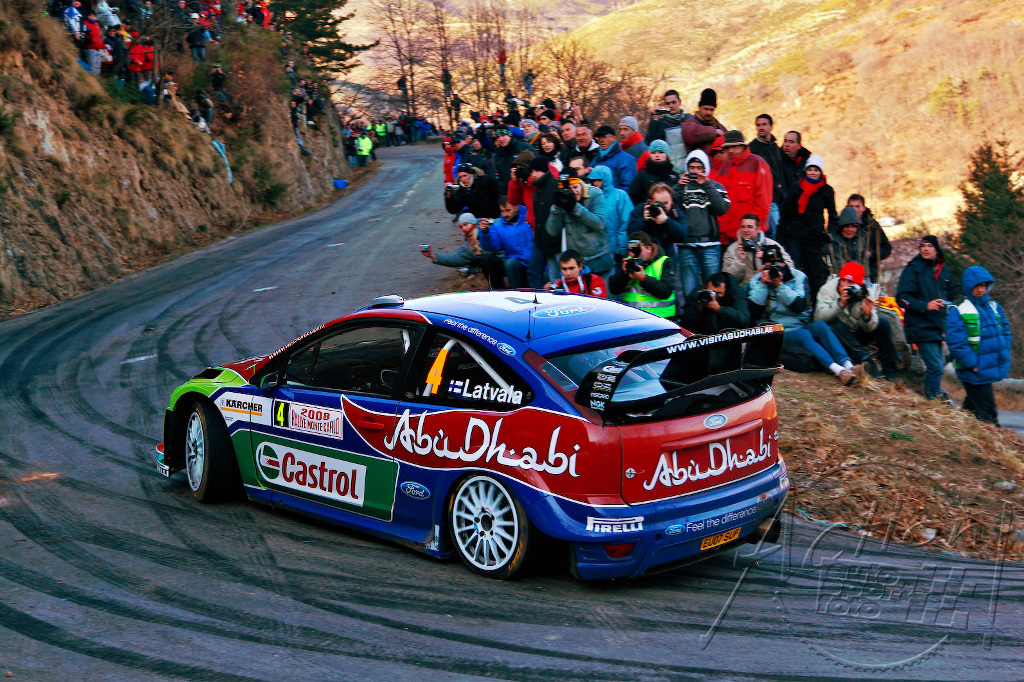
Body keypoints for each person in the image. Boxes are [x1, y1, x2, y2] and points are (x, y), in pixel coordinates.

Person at [748, 247, 863, 385]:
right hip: (778, 329)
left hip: (799, 323)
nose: (773, 270)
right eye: (768, 266)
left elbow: (799, 306)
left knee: (821, 326)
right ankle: (839, 371)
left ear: (783, 263)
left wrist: (779, 286)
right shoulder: (757, 280)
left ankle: (848, 365)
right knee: (804, 335)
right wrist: (763, 285)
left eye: (777, 265)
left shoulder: (798, 277)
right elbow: (754, 311)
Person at [946, 266, 1013, 425]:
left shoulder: (993, 306)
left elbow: (1005, 329)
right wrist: (973, 364)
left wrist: (1004, 348)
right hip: (973, 368)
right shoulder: (959, 309)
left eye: (983, 286)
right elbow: (956, 342)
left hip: (987, 366)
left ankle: (958, 427)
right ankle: (994, 437)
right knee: (988, 412)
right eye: (976, 286)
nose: (980, 290)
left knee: (972, 407)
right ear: (968, 287)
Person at [814, 262, 900, 382]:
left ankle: (890, 371)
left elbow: (869, 328)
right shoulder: (828, 290)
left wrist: (867, 316)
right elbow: (818, 318)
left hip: (856, 332)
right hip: (837, 338)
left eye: (850, 282)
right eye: (843, 280)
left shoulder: (865, 293)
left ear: (859, 284)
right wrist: (839, 304)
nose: (845, 285)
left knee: (883, 323)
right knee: (837, 326)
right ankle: (869, 366)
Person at [896, 235, 956, 400]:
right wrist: (925, 305)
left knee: (938, 367)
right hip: (920, 326)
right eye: (923, 246)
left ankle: (933, 397)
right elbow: (902, 298)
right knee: (935, 367)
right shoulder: (913, 269)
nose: (925, 249)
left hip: (938, 326)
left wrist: (948, 309)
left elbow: (952, 296)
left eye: (929, 245)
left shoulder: (945, 271)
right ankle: (932, 399)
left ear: (936, 249)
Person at [673, 149, 730, 300]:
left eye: (699, 168)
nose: (695, 172)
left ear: (705, 169)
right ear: (687, 168)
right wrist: (678, 187)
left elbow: (722, 209)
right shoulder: (681, 187)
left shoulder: (715, 186)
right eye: (692, 168)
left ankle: (712, 314)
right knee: (689, 291)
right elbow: (670, 207)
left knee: (713, 290)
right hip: (686, 245)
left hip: (710, 245)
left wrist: (706, 185)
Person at [780, 155, 836, 303]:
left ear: (821, 172)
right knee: (795, 270)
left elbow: (832, 215)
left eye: (816, 170)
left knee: (816, 274)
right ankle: (797, 303)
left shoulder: (827, 190)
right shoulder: (796, 187)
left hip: (814, 238)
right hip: (795, 236)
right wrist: (782, 233)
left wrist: (829, 232)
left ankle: (816, 306)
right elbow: (786, 211)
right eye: (810, 169)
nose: (812, 172)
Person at [545, 173, 611, 281]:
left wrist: (575, 207)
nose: (573, 191)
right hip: (578, 263)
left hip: (599, 257)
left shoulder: (595, 194)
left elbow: (599, 224)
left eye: (575, 187)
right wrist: (556, 208)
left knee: (603, 291)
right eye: (569, 189)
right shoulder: (563, 199)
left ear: (581, 184)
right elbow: (552, 231)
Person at [714, 130, 773, 245]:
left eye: (734, 147)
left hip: (752, 235)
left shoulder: (758, 163)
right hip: (728, 236)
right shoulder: (723, 168)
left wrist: (753, 229)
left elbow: (764, 201)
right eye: (727, 147)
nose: (731, 150)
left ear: (743, 146)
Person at [421, 213, 506, 288]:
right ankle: (499, 289)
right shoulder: (469, 245)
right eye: (461, 226)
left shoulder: (489, 225)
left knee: (486, 261)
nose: (463, 229)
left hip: (509, 260)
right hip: (501, 266)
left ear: (473, 223)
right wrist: (432, 256)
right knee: (485, 262)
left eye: (465, 225)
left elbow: (505, 220)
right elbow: (455, 259)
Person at [609, 231, 678, 319]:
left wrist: (643, 279)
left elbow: (665, 292)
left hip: (661, 318)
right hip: (633, 318)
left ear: (649, 249)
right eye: (630, 250)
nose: (633, 254)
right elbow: (614, 290)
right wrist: (624, 273)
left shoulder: (664, 262)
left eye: (637, 250)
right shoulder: (629, 262)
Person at [722, 214, 794, 287]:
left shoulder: (771, 245)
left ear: (758, 229)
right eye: (743, 227)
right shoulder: (732, 249)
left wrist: (769, 259)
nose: (745, 230)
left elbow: (790, 268)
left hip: (769, 285)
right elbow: (728, 280)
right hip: (746, 287)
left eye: (750, 227)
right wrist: (739, 261)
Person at [748, 114, 786, 239]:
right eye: (758, 125)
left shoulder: (775, 147)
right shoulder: (752, 148)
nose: (761, 127)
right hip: (765, 200)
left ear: (771, 126)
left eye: (764, 124)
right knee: (771, 235)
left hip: (779, 199)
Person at [479, 200, 534, 289]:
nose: (505, 214)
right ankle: (515, 290)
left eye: (508, 210)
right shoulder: (498, 226)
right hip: (516, 264)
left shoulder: (530, 218)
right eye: (502, 211)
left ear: (516, 208)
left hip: (535, 261)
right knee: (509, 264)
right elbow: (492, 247)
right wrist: (485, 233)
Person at [626, 182, 687, 255]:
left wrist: (667, 221)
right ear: (650, 201)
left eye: (666, 203)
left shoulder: (675, 212)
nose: (662, 207)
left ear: (671, 200)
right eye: (658, 203)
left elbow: (683, 237)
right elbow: (631, 237)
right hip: (643, 255)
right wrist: (644, 220)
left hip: (667, 255)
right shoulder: (641, 209)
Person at [843, 194, 892, 284]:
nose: (854, 209)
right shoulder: (842, 225)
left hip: (868, 274)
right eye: (851, 207)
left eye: (857, 206)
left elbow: (886, 248)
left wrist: (871, 254)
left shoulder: (872, 226)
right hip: (845, 274)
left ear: (863, 208)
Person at [587, 165, 632, 262]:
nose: (595, 183)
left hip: (614, 248)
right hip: (595, 249)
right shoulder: (589, 197)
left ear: (605, 179)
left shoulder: (620, 196)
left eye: (598, 180)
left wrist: (622, 248)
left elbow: (625, 223)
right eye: (593, 180)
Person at [679, 272, 750, 333]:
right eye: (711, 292)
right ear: (706, 287)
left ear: (726, 290)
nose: (714, 295)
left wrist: (720, 309)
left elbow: (744, 320)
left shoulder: (736, 293)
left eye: (718, 293)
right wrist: (699, 308)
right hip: (704, 335)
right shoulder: (699, 295)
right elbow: (685, 325)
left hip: (729, 335)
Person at [644, 89, 688, 169]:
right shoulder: (661, 123)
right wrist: (654, 120)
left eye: (673, 102)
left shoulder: (689, 120)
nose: (671, 106)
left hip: (687, 167)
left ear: (679, 102)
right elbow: (650, 143)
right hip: (669, 168)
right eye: (668, 103)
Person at [629, 139, 680, 205]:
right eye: (653, 153)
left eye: (660, 152)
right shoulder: (642, 176)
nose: (657, 155)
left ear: (667, 155)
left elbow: (679, 198)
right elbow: (632, 196)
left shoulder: (674, 176)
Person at [682, 88, 727, 156]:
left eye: (711, 110)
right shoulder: (689, 123)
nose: (709, 113)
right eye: (706, 109)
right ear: (699, 107)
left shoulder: (719, 126)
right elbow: (691, 135)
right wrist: (714, 132)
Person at [593, 125, 637, 191]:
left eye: (604, 137)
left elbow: (627, 187)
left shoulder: (626, 159)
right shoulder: (596, 158)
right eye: (599, 137)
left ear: (614, 138)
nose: (601, 140)